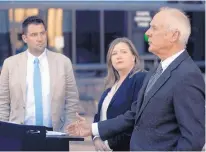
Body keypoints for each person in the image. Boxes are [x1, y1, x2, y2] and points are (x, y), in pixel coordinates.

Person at [66, 7, 205, 151]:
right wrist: (92, 129)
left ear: (173, 35)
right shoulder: (156, 72)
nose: (147, 34)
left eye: (154, 28)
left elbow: (193, 139)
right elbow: (133, 115)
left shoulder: (187, 75)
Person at [0, 16, 80, 132]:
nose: (40, 38)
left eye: (42, 33)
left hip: (55, 133)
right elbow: (3, 102)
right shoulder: (10, 64)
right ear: (25, 38)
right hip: (19, 133)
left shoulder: (63, 62)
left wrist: (66, 130)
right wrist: (5, 133)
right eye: (34, 35)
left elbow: (72, 99)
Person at [92, 37, 146, 151]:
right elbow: (98, 117)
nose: (118, 56)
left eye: (124, 52)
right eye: (114, 54)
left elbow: (135, 119)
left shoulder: (140, 79)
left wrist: (109, 144)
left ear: (134, 57)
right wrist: (96, 138)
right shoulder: (110, 85)